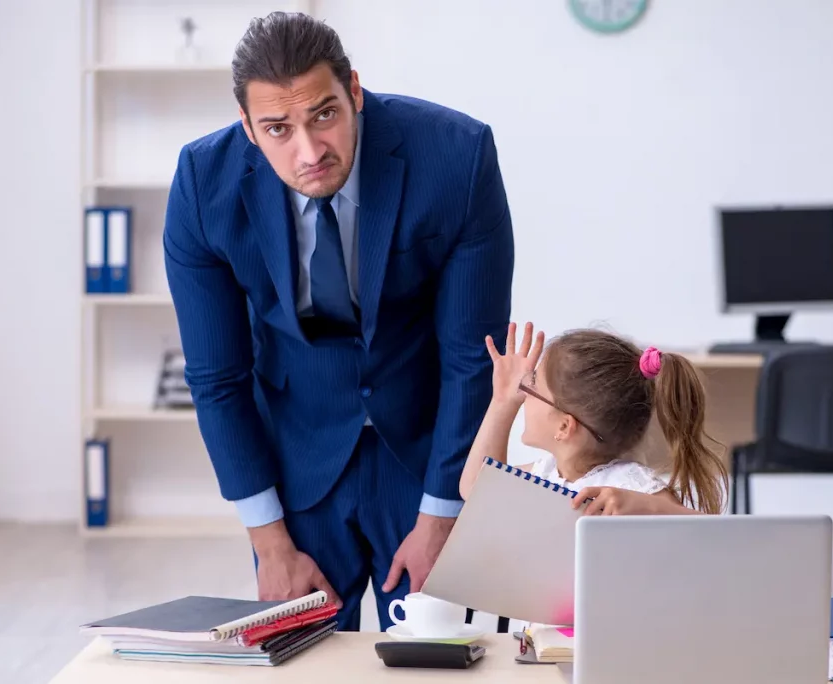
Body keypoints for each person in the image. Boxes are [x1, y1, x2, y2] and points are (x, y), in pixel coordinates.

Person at [163, 11, 514, 632]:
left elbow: (470, 359)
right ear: (247, 127)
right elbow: (217, 377)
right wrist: (271, 545)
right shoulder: (202, 185)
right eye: (277, 129)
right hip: (299, 463)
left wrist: (442, 517)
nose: (310, 151)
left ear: (354, 90)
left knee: (441, 661)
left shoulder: (457, 157)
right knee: (307, 663)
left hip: (427, 454)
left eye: (323, 114)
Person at [459, 323, 729, 515]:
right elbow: (476, 491)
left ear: (565, 426)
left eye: (532, 385)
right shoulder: (546, 473)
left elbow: (712, 534)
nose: (522, 392)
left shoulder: (630, 485)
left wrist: (652, 506)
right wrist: (502, 402)